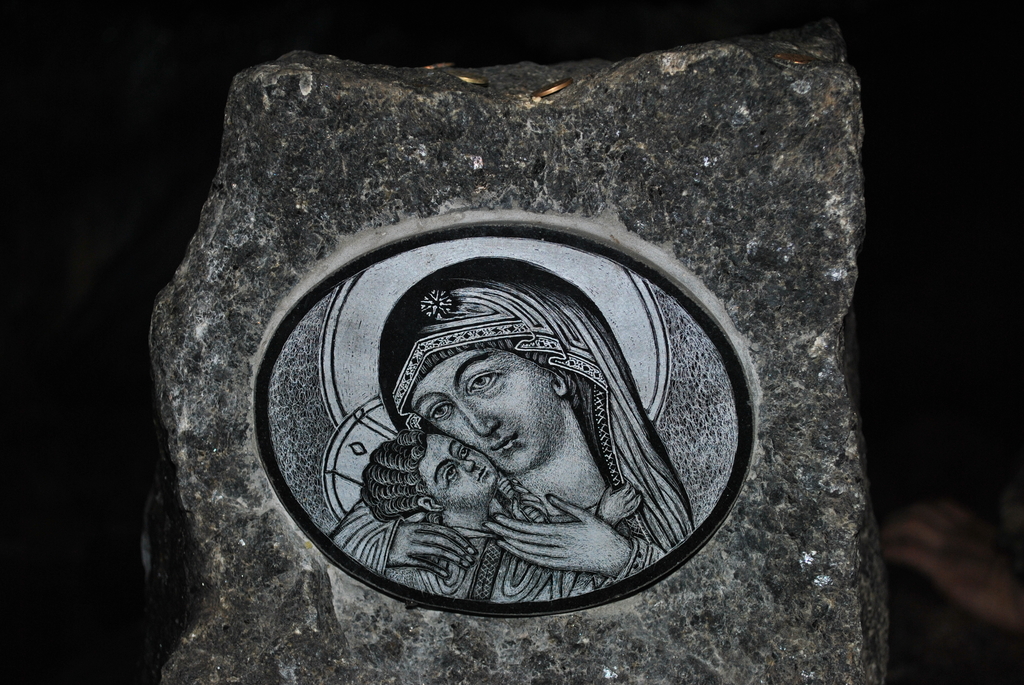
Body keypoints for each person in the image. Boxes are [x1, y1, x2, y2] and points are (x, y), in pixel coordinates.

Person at [335, 258, 693, 588]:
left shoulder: (652, 506)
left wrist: (618, 557)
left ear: (556, 372)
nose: (479, 425)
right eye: (441, 411)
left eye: (482, 382)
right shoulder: (457, 528)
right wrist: (383, 544)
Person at [359, 429, 648, 601]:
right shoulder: (443, 564)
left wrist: (602, 520)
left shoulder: (514, 507)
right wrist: (605, 524)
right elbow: (563, 590)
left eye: (462, 451)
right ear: (430, 502)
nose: (470, 464)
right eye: (450, 473)